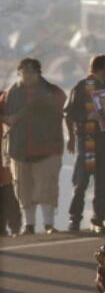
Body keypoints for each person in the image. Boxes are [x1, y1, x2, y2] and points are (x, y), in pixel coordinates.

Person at [1, 58, 67, 234]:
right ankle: (29, 225)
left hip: (48, 148)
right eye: (24, 72)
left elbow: (63, 105)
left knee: (47, 188)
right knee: (23, 190)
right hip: (19, 149)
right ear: (19, 73)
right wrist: (8, 119)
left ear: (38, 73)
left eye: (31, 72)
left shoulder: (52, 92)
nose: (28, 76)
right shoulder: (10, 94)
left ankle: (48, 224)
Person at [66, 54, 105, 233]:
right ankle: (74, 219)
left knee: (103, 184)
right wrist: (86, 117)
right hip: (86, 141)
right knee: (81, 183)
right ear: (99, 68)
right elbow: (69, 113)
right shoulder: (82, 87)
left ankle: (98, 220)